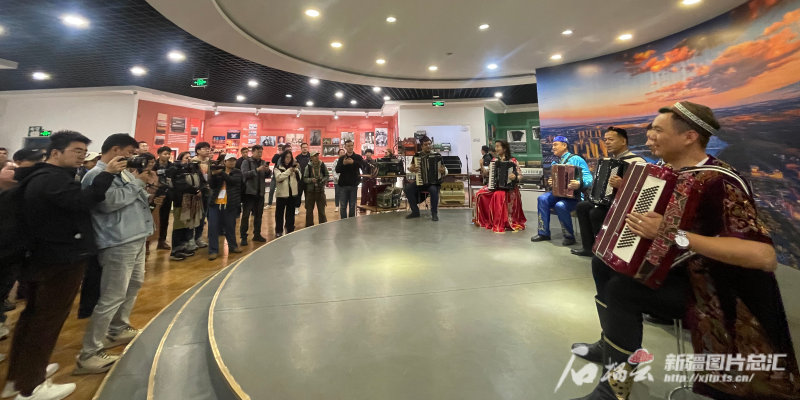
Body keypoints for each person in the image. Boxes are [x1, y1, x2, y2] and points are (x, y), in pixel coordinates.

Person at [570, 102, 800, 400]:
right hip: (679, 270)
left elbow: (764, 257)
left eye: (657, 130)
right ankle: (611, 344)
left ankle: (613, 388)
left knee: (621, 291)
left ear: (689, 137)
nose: (649, 136)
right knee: (602, 264)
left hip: (714, 287)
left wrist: (670, 233)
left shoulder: (720, 181)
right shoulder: (666, 173)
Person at [2, 132, 123, 400]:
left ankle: (19, 377)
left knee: (33, 317)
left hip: (43, 257)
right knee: (46, 321)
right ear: (55, 153)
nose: (81, 156)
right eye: (76, 151)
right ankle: (31, 387)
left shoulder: (40, 177)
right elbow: (83, 201)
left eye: (83, 152)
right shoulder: (52, 179)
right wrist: (107, 174)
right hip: (59, 259)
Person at [76, 134, 154, 375]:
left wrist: (148, 186)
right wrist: (138, 183)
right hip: (117, 241)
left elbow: (135, 198)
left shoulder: (122, 172)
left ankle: (117, 329)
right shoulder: (96, 175)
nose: (132, 157)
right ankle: (89, 353)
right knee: (112, 295)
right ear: (116, 149)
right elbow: (108, 203)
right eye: (130, 152)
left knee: (133, 284)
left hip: (135, 236)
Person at [572, 128, 646, 257]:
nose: (607, 142)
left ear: (623, 141)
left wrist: (623, 184)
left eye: (611, 139)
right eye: (605, 140)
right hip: (608, 202)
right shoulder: (609, 161)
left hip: (625, 205)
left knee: (596, 213)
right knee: (582, 206)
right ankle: (588, 247)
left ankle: (604, 249)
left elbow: (642, 188)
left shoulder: (636, 162)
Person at [531, 136, 592, 246]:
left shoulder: (577, 159)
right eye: (552, 145)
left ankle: (569, 236)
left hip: (575, 196)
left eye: (555, 145)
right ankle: (543, 233)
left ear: (564, 145)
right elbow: (555, 179)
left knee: (560, 205)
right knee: (542, 198)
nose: (553, 147)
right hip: (558, 194)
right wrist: (552, 181)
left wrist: (578, 183)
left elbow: (589, 178)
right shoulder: (555, 162)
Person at [473, 140, 526, 232]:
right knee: (478, 194)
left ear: (504, 148)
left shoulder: (513, 161)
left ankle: (502, 221)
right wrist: (481, 166)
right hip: (495, 186)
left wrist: (515, 177)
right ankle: (486, 219)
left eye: (498, 146)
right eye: (495, 146)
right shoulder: (494, 160)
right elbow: (486, 174)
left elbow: (520, 176)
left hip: (509, 188)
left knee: (498, 195)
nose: (496, 148)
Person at [168, 152, 203, 261]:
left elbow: (201, 180)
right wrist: (195, 190)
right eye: (186, 157)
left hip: (192, 201)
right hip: (180, 201)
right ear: (180, 159)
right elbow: (180, 184)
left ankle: (183, 247)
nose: (189, 159)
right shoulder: (176, 170)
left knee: (186, 225)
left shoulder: (193, 168)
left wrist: (201, 189)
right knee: (179, 225)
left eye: (189, 157)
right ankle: (175, 251)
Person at [208, 154, 244, 260]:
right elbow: (212, 185)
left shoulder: (237, 172)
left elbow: (232, 181)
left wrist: (221, 173)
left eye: (233, 160)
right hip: (215, 203)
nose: (232, 162)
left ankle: (233, 246)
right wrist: (213, 175)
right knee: (213, 227)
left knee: (230, 227)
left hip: (230, 203)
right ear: (225, 161)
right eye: (229, 160)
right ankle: (213, 250)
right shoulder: (218, 172)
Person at [404, 136, 447, 221]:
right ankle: (415, 212)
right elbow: (411, 167)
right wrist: (411, 169)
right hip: (421, 182)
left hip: (433, 183)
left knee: (433, 190)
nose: (428, 146)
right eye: (426, 144)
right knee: (408, 189)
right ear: (422, 146)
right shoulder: (417, 156)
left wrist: (443, 171)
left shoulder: (437, 156)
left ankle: (434, 213)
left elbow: (444, 169)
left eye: (429, 144)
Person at [240, 144, 269, 245]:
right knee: (246, 216)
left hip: (260, 193)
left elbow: (267, 176)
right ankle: (243, 237)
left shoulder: (263, 162)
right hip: (249, 193)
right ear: (252, 152)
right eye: (258, 152)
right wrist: (257, 170)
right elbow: (244, 174)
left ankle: (257, 234)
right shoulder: (246, 162)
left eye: (261, 152)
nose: (260, 154)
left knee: (258, 216)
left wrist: (267, 171)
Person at [189, 142, 212, 250]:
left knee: (203, 216)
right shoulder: (192, 162)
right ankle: (190, 239)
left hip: (207, 192)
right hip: (195, 192)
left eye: (208, 148)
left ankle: (198, 238)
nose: (207, 150)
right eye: (205, 148)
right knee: (193, 216)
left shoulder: (210, 162)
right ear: (198, 151)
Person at [334, 140, 365, 219]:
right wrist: (344, 164)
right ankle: (343, 222)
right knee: (343, 206)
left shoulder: (358, 157)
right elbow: (337, 170)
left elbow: (363, 166)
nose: (350, 147)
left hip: (353, 184)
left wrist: (353, 162)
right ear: (345, 147)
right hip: (343, 185)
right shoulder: (342, 158)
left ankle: (352, 222)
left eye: (351, 145)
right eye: (348, 146)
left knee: (352, 205)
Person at [274, 150, 301, 237]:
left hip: (292, 194)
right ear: (283, 158)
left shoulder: (294, 168)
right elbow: (279, 178)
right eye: (286, 157)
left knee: (291, 213)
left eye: (290, 157)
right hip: (282, 194)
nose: (288, 159)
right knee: (279, 214)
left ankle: (290, 228)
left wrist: (296, 170)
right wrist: (289, 171)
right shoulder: (277, 168)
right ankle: (279, 230)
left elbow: (299, 177)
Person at [153, 146, 173, 250]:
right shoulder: (154, 165)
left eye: (169, 154)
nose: (167, 156)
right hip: (155, 194)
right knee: (153, 217)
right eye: (165, 154)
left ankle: (162, 241)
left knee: (165, 218)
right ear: (159, 154)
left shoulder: (172, 166)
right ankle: (148, 241)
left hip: (168, 194)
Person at [303, 151, 329, 227]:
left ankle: (323, 225)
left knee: (321, 210)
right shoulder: (308, 167)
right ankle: (309, 226)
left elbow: (327, 175)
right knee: (309, 210)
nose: (317, 157)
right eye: (314, 156)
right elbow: (304, 179)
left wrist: (323, 180)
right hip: (310, 191)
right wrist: (311, 180)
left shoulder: (322, 165)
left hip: (320, 191)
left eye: (317, 155)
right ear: (311, 158)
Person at [266, 144, 285, 209]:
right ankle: (269, 203)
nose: (280, 150)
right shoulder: (276, 155)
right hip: (275, 174)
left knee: (281, 190)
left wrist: (282, 154)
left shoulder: (285, 156)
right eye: (279, 148)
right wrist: (278, 154)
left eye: (281, 149)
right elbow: (273, 161)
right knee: (271, 189)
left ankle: (280, 204)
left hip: (282, 174)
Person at [295, 143, 311, 216]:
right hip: (300, 179)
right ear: (301, 148)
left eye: (306, 147)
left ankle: (308, 208)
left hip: (308, 179)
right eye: (303, 147)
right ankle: (297, 208)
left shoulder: (311, 157)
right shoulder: (298, 157)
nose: (305, 148)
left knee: (308, 195)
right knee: (298, 194)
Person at [332, 148, 345, 212]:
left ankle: (343, 206)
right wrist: (337, 177)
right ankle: (337, 206)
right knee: (337, 193)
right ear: (338, 154)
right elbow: (333, 170)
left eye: (343, 153)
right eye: (340, 153)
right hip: (337, 181)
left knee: (344, 194)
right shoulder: (336, 161)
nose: (342, 154)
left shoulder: (346, 161)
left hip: (344, 181)